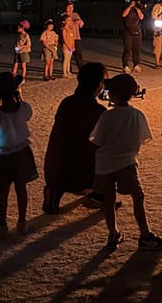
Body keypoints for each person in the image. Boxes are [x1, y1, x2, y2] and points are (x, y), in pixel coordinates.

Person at [90, 73, 162, 252]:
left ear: (114, 95)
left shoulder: (107, 116)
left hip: (104, 164)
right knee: (137, 196)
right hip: (126, 162)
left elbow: (97, 140)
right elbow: (141, 139)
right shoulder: (136, 115)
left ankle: (113, 233)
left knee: (108, 200)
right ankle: (145, 234)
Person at [43, 63, 108, 214]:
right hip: (82, 175)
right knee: (110, 154)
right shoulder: (98, 111)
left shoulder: (66, 103)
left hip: (55, 169)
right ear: (99, 84)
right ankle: (99, 195)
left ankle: (54, 191)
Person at [0, 72, 39, 238]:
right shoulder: (23, 108)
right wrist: (20, 98)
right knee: (21, 188)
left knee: (3, 191)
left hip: (2, 155)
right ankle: (22, 221)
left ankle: (2, 225)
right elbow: (28, 115)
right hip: (22, 151)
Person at [121, 0, 144, 73]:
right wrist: (130, 7)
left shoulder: (139, 8)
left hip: (137, 31)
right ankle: (125, 65)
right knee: (127, 49)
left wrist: (137, 8)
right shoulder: (127, 7)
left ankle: (136, 65)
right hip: (128, 31)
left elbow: (141, 17)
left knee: (136, 49)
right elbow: (123, 15)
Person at [62, 1, 85, 70]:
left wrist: (80, 22)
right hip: (68, 38)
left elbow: (81, 24)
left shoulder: (75, 15)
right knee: (68, 55)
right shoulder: (63, 15)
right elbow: (63, 26)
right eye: (69, 7)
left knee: (78, 53)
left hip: (76, 37)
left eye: (72, 7)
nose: (70, 9)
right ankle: (68, 70)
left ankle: (81, 69)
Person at [61, 14, 75, 78]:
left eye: (70, 20)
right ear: (64, 21)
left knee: (69, 60)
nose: (69, 21)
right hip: (66, 47)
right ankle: (64, 73)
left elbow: (72, 38)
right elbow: (64, 39)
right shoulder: (64, 29)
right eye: (68, 20)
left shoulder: (70, 29)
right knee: (66, 59)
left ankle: (68, 71)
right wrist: (68, 46)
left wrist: (73, 46)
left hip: (71, 46)